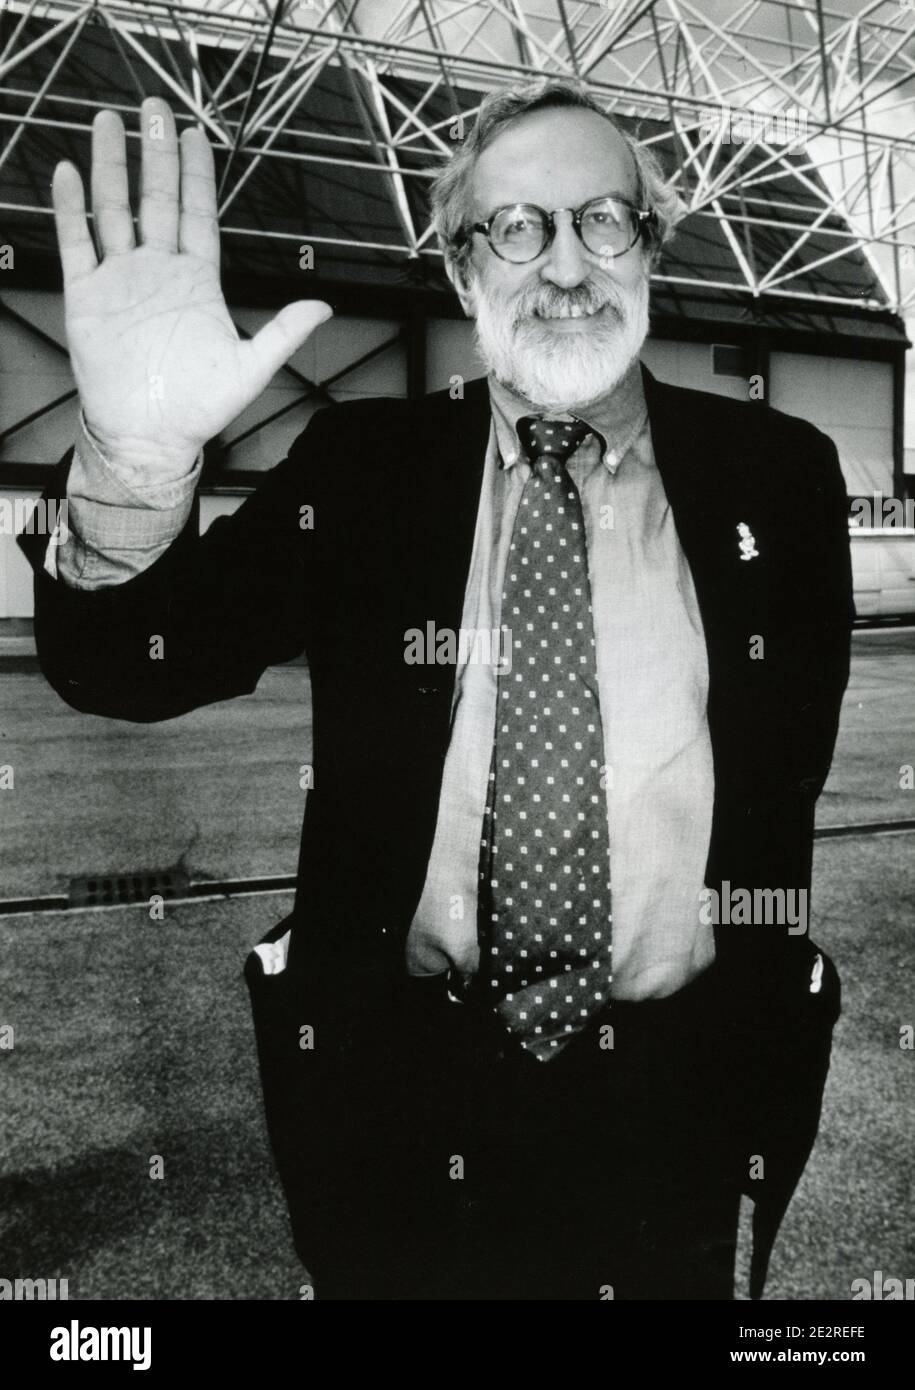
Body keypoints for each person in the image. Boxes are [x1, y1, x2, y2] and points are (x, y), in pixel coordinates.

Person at [20, 78, 852, 1301]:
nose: (564, 263)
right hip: (401, 1091)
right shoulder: (366, 470)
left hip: (676, 1103)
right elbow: (122, 664)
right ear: (464, 272)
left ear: (652, 248)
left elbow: (785, 778)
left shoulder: (781, 477)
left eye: (603, 220)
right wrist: (140, 459)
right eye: (516, 228)